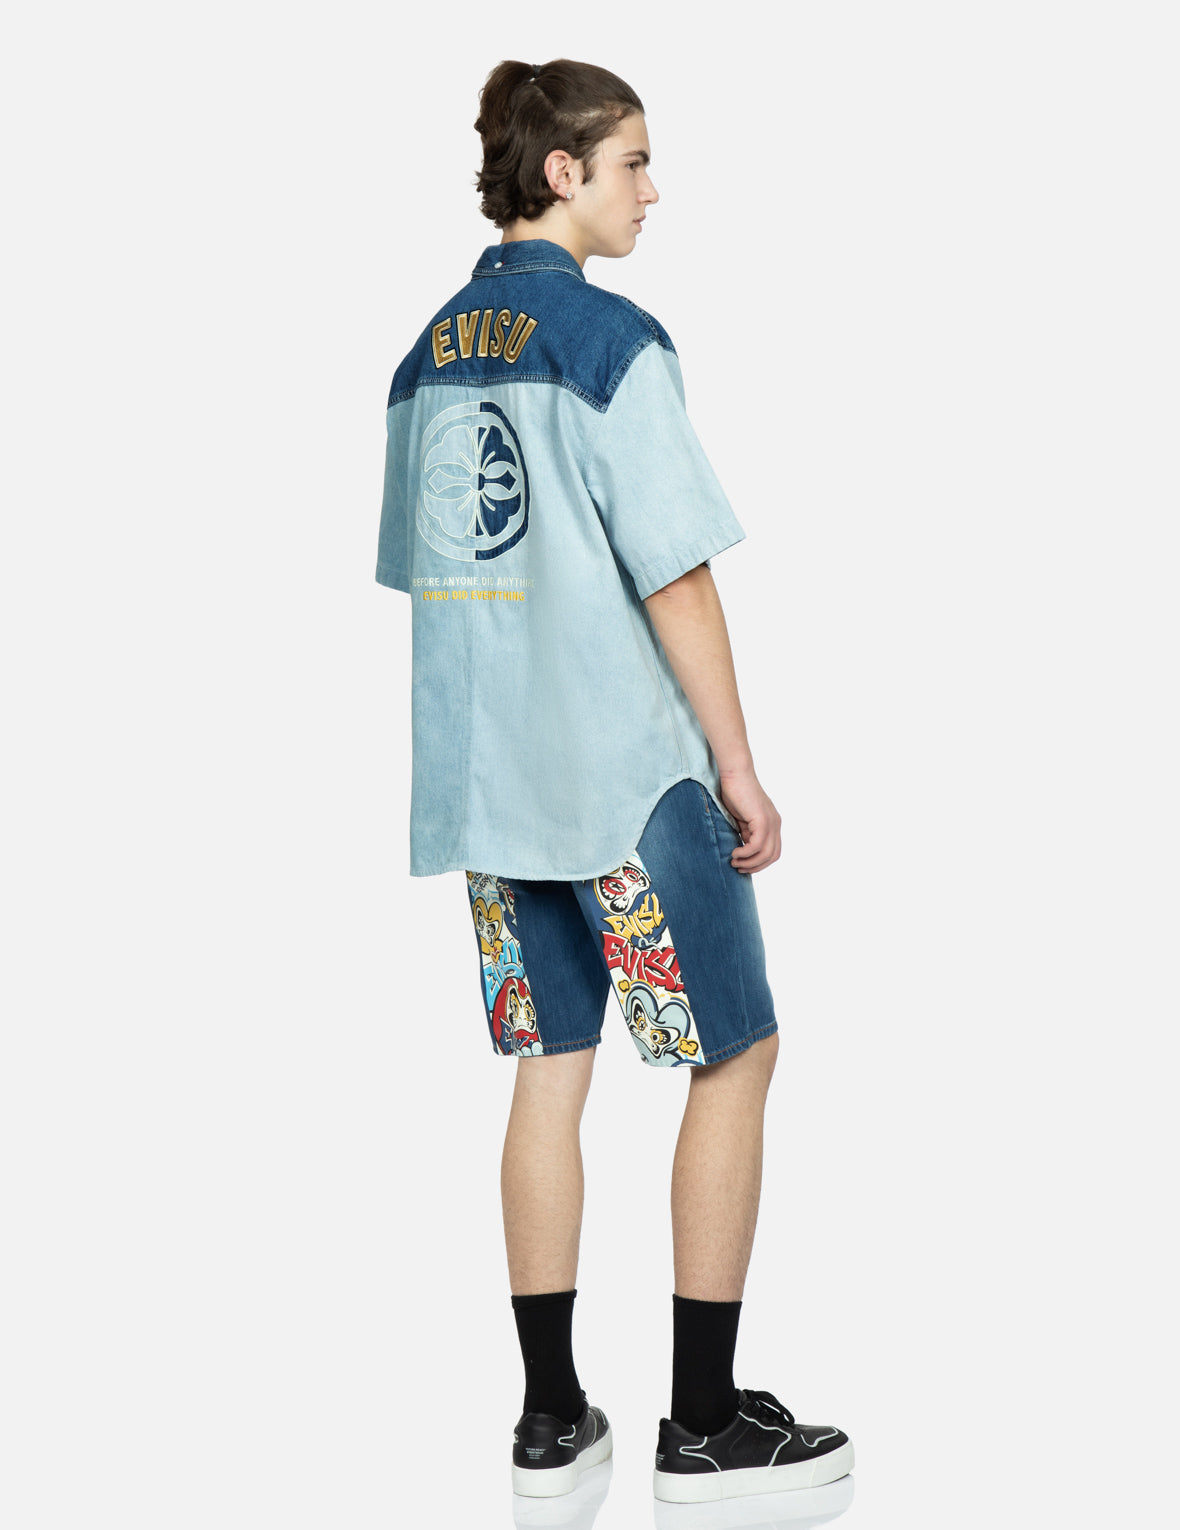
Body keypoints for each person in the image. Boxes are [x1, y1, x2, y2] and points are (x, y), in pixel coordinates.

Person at [375, 57, 853, 1505]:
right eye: (634, 162)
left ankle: (549, 1416)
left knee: (550, 1068)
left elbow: (430, 569)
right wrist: (738, 765)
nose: (654, 190)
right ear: (562, 172)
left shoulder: (424, 357)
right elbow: (676, 572)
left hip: (491, 795)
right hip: (626, 783)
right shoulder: (611, 343)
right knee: (736, 1051)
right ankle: (702, 1420)